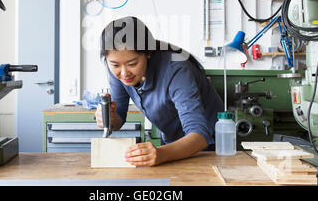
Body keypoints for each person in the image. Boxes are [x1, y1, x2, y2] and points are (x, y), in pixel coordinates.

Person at [95, 16, 224, 166]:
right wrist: (109, 119)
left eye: (132, 63)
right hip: (171, 146)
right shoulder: (117, 71)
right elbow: (119, 119)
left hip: (207, 148)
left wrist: (161, 153)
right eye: (115, 65)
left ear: (148, 52)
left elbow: (200, 135)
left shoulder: (177, 70)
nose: (124, 73)